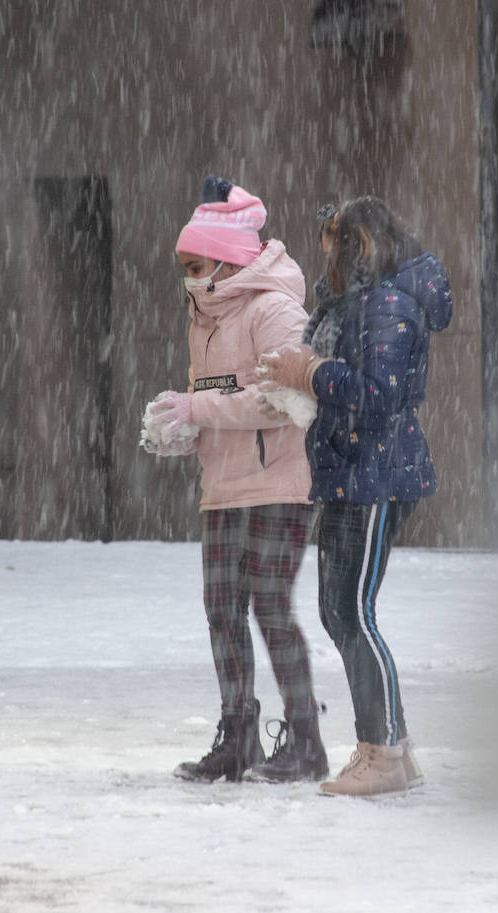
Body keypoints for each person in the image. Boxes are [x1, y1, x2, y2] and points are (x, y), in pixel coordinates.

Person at [258, 196, 453, 797]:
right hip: (353, 471)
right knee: (340, 611)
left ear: (356, 247)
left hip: (376, 476)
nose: (326, 258)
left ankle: (384, 749)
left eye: (331, 245)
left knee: (352, 612)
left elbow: (379, 394)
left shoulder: (387, 303)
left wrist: (309, 374)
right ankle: (390, 745)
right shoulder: (357, 302)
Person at [143, 175, 328, 783]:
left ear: (226, 260)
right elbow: (219, 393)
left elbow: (283, 398)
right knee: (222, 608)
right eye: (183, 266)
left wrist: (201, 409)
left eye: (197, 264)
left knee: (270, 606)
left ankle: (306, 740)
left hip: (280, 483)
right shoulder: (205, 316)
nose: (188, 277)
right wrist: (183, 422)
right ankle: (237, 734)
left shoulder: (275, 309)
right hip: (223, 486)